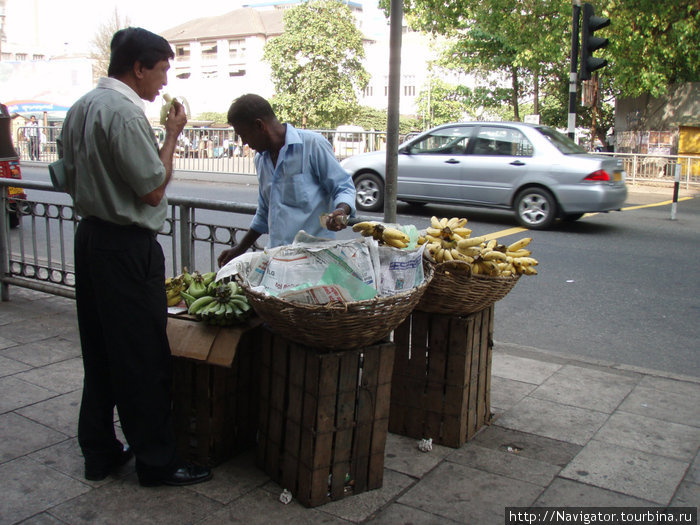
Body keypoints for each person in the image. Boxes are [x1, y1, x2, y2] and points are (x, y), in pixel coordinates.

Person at [57, 27, 212, 487]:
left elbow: (65, 176)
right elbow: (152, 189)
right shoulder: (124, 113)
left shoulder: (81, 108)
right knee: (143, 356)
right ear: (138, 68)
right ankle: (157, 462)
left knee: (101, 350)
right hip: (125, 248)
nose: (165, 80)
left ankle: (100, 451)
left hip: (91, 240)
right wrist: (171, 136)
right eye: (162, 68)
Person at [217, 93, 355, 267]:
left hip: (314, 261)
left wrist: (341, 210)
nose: (244, 142)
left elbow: (344, 187)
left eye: (244, 135)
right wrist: (239, 248)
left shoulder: (313, 145)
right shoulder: (261, 160)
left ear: (259, 126)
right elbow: (265, 212)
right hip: (277, 261)